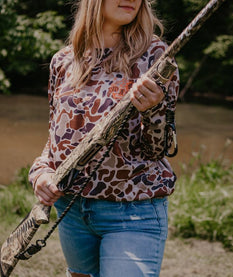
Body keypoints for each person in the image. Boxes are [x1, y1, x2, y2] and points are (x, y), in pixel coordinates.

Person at [29, 0, 179, 276]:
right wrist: (40, 173)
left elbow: (157, 149)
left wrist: (154, 108)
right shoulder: (63, 61)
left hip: (132, 210)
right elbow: (56, 138)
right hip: (71, 211)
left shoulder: (156, 56)